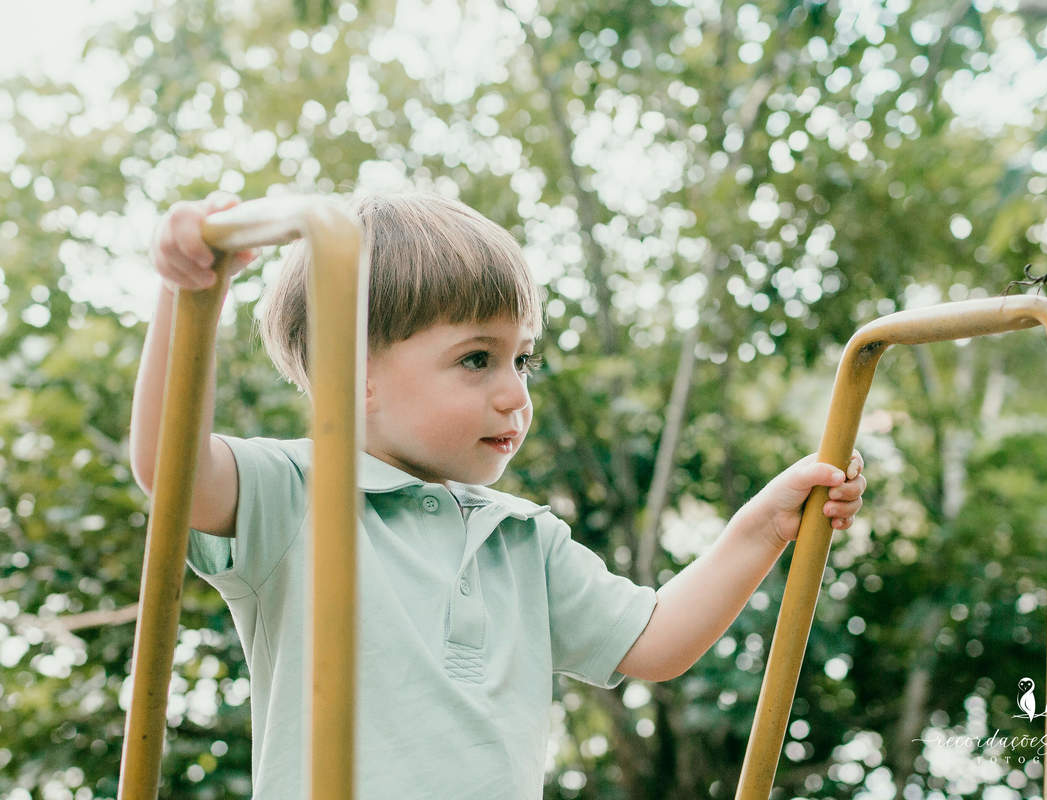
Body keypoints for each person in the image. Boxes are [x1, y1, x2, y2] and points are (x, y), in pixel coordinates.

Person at [130, 191, 866, 799]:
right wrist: (188, 295)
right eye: (477, 359)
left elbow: (655, 642)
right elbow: (171, 467)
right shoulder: (293, 493)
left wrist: (761, 528)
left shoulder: (523, 537)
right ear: (354, 374)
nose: (515, 393)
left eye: (523, 359)